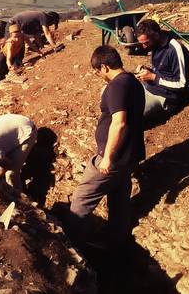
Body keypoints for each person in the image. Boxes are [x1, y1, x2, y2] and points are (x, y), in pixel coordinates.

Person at [68, 45, 145, 250]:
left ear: (104, 67)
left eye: (97, 72)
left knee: (80, 202)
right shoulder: (133, 82)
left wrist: (108, 158)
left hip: (114, 158)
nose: (99, 76)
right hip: (129, 156)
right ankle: (115, 243)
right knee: (119, 203)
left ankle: (74, 248)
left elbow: (119, 122)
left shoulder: (117, 86)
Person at [134, 19, 189, 117]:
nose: (143, 47)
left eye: (146, 43)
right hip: (150, 88)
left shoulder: (175, 48)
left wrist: (153, 77)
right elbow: (162, 72)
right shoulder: (156, 44)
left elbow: (182, 84)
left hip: (165, 97)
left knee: (132, 114)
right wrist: (148, 71)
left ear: (156, 36)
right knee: (115, 96)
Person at [0, 23, 39, 92]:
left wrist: (39, 51)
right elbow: (8, 58)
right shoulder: (10, 43)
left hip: (14, 57)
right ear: (11, 35)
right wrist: (9, 65)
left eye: (18, 36)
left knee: (5, 75)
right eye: (15, 37)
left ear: (20, 33)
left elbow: (30, 44)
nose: (17, 39)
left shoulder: (23, 36)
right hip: (2, 58)